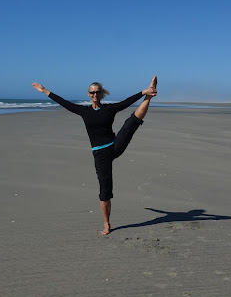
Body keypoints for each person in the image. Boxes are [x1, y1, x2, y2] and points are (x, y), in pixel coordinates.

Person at [32, 76, 157, 235]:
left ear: (102, 94)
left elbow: (126, 102)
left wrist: (143, 92)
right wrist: (45, 91)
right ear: (88, 94)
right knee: (105, 192)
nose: (95, 95)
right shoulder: (83, 111)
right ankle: (107, 224)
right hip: (100, 154)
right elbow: (64, 103)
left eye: (97, 92)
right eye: (92, 93)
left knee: (131, 122)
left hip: (114, 145)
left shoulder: (109, 109)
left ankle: (149, 95)